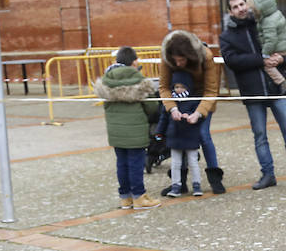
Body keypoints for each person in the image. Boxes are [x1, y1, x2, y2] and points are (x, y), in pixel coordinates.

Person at [220, 0, 286, 189]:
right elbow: (232, 61)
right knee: (260, 136)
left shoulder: (263, 20)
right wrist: (261, 60)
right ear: (230, 11)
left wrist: (283, 58)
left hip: (278, 89)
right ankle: (268, 175)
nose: (241, 9)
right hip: (253, 93)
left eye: (242, 4)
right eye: (235, 7)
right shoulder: (227, 36)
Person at [93, 46, 162, 210]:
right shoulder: (139, 80)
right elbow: (152, 107)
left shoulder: (107, 80)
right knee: (136, 163)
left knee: (121, 163)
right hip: (135, 130)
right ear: (134, 62)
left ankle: (125, 198)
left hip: (116, 131)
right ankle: (139, 196)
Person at [158, 29, 226, 194]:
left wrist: (198, 113)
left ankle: (214, 177)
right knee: (178, 135)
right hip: (179, 101)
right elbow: (164, 87)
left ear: (190, 56)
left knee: (203, 135)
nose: (178, 64)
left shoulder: (205, 56)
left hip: (202, 99)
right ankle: (179, 181)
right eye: (175, 60)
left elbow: (211, 91)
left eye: (182, 60)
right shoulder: (167, 57)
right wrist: (172, 108)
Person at [161, 56, 205, 199]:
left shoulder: (194, 101)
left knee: (193, 162)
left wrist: (192, 116)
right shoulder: (170, 102)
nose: (179, 90)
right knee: (175, 163)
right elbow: (164, 117)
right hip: (174, 136)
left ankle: (196, 184)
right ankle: (176, 185)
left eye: (182, 87)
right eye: (176, 87)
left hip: (190, 135)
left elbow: (201, 116)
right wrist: (159, 133)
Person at [249, 0, 286, 94]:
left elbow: (270, 40)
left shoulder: (267, 22)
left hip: (277, 48)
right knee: (282, 61)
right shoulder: (277, 14)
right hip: (285, 47)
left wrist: (265, 53)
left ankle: (282, 81)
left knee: (268, 65)